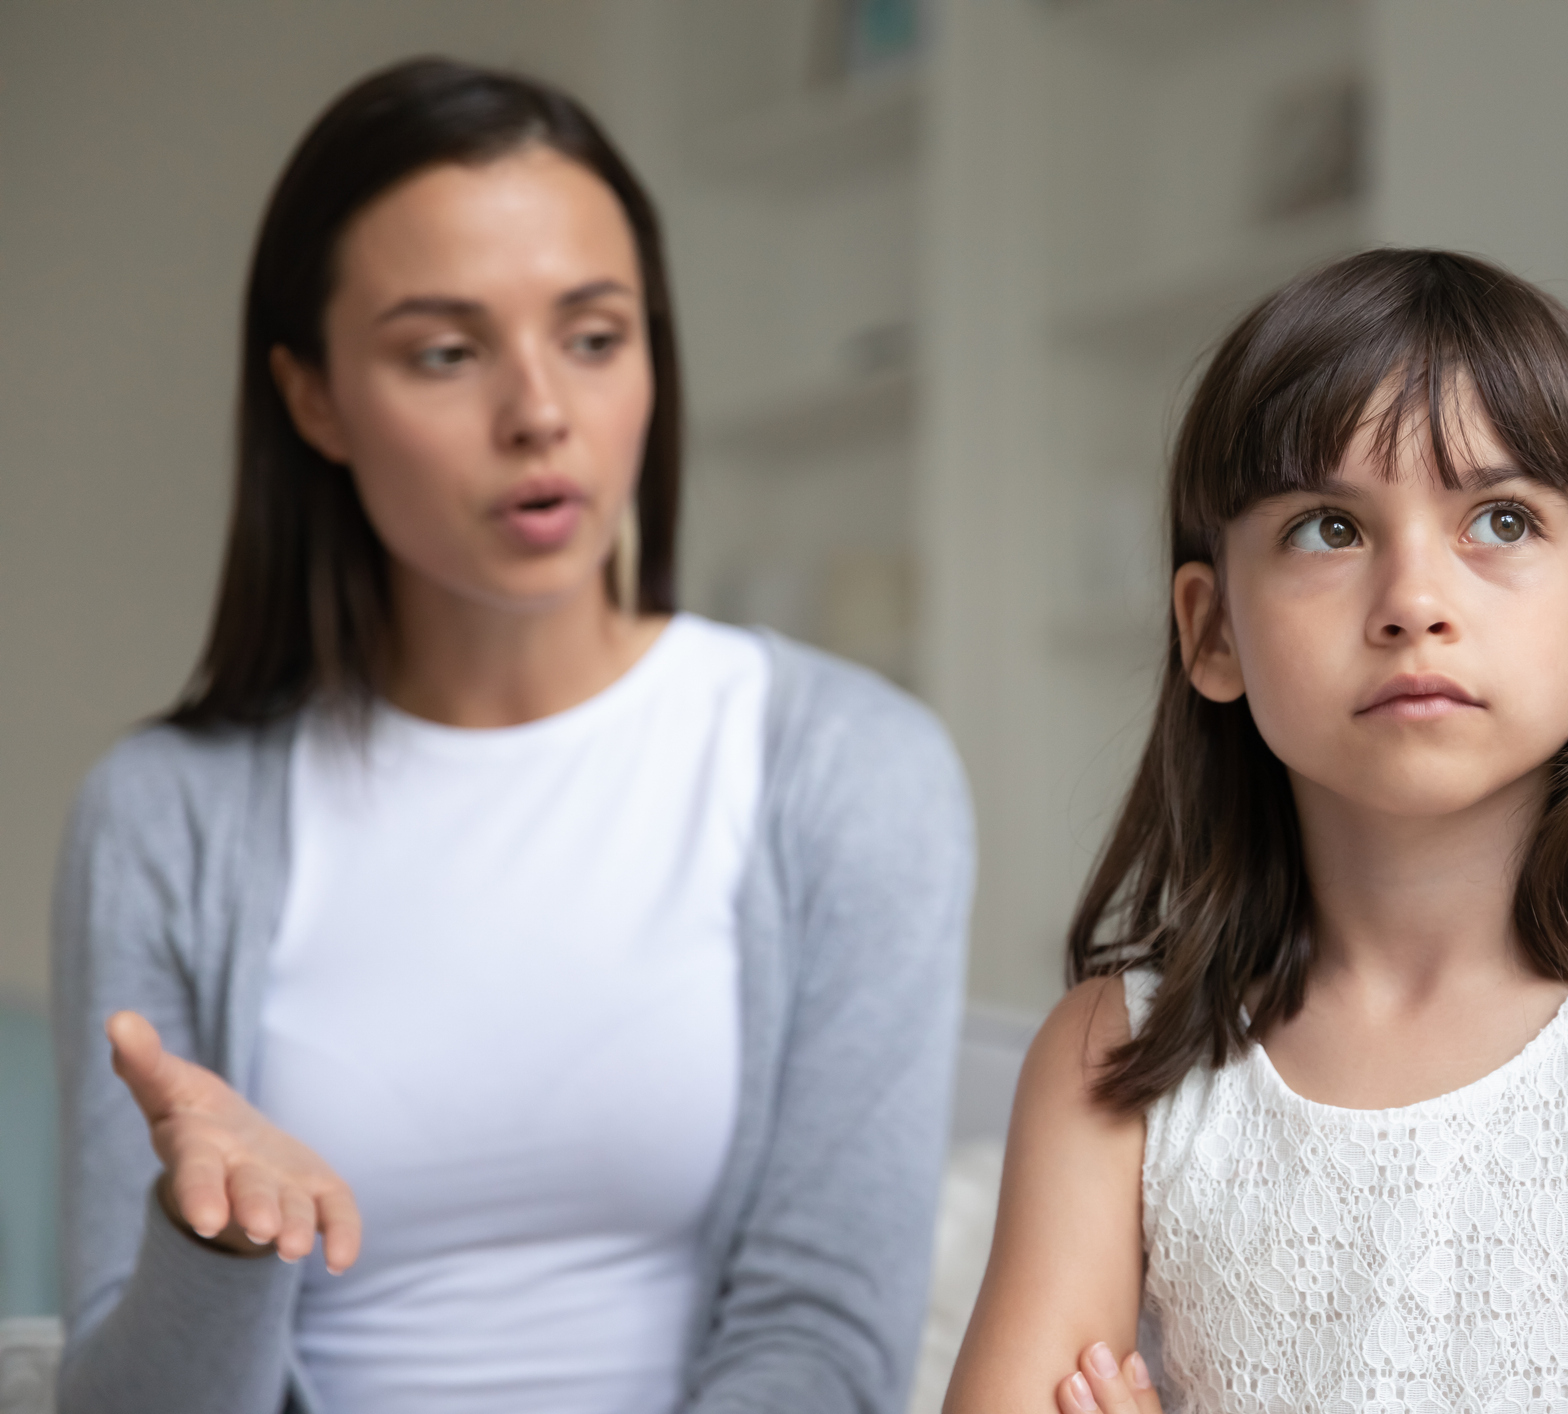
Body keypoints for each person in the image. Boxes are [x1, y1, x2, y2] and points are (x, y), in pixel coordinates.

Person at [51, 58, 972, 1414]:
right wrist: (222, 1239)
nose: (540, 410)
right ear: (313, 399)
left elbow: (821, 1344)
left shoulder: (851, 767)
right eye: (445, 350)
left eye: (594, 335)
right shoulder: (162, 813)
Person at [944, 250, 1568, 1414]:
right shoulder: (1110, 1067)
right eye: (1329, 529)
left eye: (1502, 519)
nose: (1416, 599)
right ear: (1211, 631)